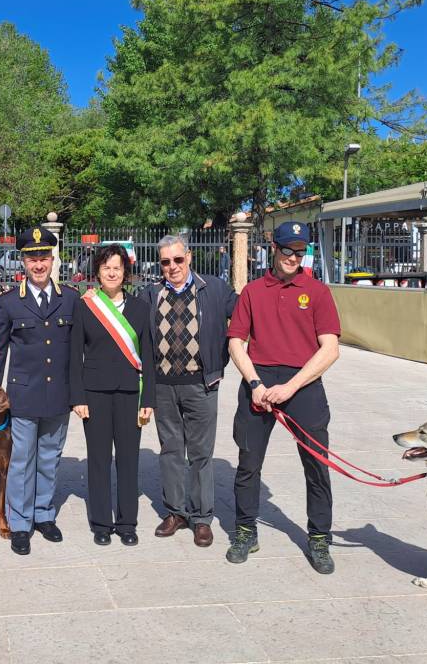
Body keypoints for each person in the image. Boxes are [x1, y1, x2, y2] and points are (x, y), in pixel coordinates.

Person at [226, 221, 341, 574]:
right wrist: (256, 383)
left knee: (316, 467)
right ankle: (246, 531)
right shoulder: (253, 291)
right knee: (248, 464)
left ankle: (319, 537)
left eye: (300, 251)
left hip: (302, 383)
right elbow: (235, 343)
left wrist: (291, 387)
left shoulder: (318, 291)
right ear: (273, 248)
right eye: (288, 250)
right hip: (260, 380)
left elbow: (331, 349)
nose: (294, 257)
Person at [136, 235, 238, 547]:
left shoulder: (215, 289)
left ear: (189, 257)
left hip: (201, 385)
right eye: (165, 261)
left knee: (200, 454)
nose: (172, 267)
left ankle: (202, 517)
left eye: (178, 260)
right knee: (170, 452)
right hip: (165, 386)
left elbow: (247, 314)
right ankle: (176, 513)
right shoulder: (149, 295)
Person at [0, 226, 79, 556]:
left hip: (59, 395)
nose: (38, 265)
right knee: (23, 460)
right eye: (32, 259)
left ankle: (43, 514)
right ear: (23, 262)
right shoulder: (9, 303)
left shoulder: (70, 298)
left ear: (52, 260)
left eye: (44, 258)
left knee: (50, 458)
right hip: (23, 395)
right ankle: (21, 522)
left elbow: (77, 349)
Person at [70, 243, 155, 546]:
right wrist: (77, 397)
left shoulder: (141, 308)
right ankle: (102, 522)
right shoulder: (84, 305)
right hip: (94, 394)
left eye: (117, 267)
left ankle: (127, 522)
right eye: (106, 267)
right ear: (97, 272)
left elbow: (148, 356)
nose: (111, 272)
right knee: (99, 459)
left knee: (129, 460)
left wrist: (148, 401)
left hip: (131, 393)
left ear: (126, 272)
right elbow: (74, 354)